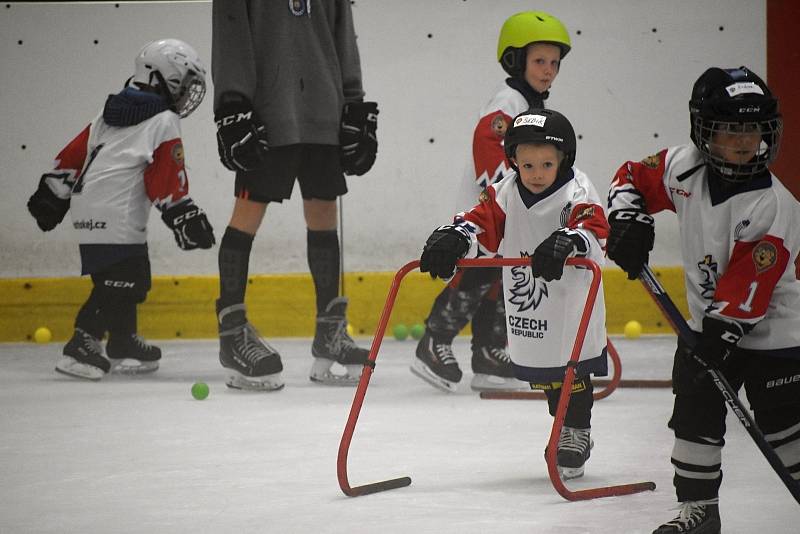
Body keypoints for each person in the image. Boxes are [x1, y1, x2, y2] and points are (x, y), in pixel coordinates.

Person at [606, 66, 800, 534]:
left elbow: (747, 293)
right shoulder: (683, 165)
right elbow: (631, 177)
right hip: (704, 327)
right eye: (730, 128)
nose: (743, 140)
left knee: (786, 432)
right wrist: (628, 221)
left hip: (775, 335)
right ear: (702, 130)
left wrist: (717, 336)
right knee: (693, 418)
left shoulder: (773, 204)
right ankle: (699, 512)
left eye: (752, 128)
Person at [420, 109, 609, 479]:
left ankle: (577, 430)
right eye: (527, 165)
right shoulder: (506, 191)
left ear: (563, 160)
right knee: (549, 374)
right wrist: (456, 237)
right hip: (532, 302)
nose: (536, 174)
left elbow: (594, 226)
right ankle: (565, 422)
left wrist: (568, 241)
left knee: (574, 369)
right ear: (513, 162)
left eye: (546, 164)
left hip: (571, 300)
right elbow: (480, 220)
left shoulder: (578, 190)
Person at [211, 0, 378, 391]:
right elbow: (230, 36)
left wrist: (352, 102)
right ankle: (232, 333)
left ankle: (330, 331)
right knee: (247, 215)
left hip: (325, 110)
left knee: (324, 214)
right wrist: (232, 103)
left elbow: (343, 34)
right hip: (266, 116)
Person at [26, 39, 215, 380]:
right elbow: (164, 177)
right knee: (127, 280)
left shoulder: (109, 112)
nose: (186, 93)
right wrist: (184, 216)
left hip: (90, 206)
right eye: (184, 84)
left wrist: (53, 193)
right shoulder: (165, 120)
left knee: (120, 273)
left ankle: (123, 340)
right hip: (118, 210)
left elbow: (75, 154)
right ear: (166, 77)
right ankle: (83, 341)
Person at [413, 11, 572, 393]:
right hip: (489, 214)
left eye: (554, 63)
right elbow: (489, 151)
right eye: (539, 61)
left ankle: (489, 350)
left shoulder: (531, 108)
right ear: (516, 60)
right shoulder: (507, 103)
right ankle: (433, 341)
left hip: (513, 216)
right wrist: (512, 199)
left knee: (507, 276)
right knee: (481, 273)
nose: (549, 70)